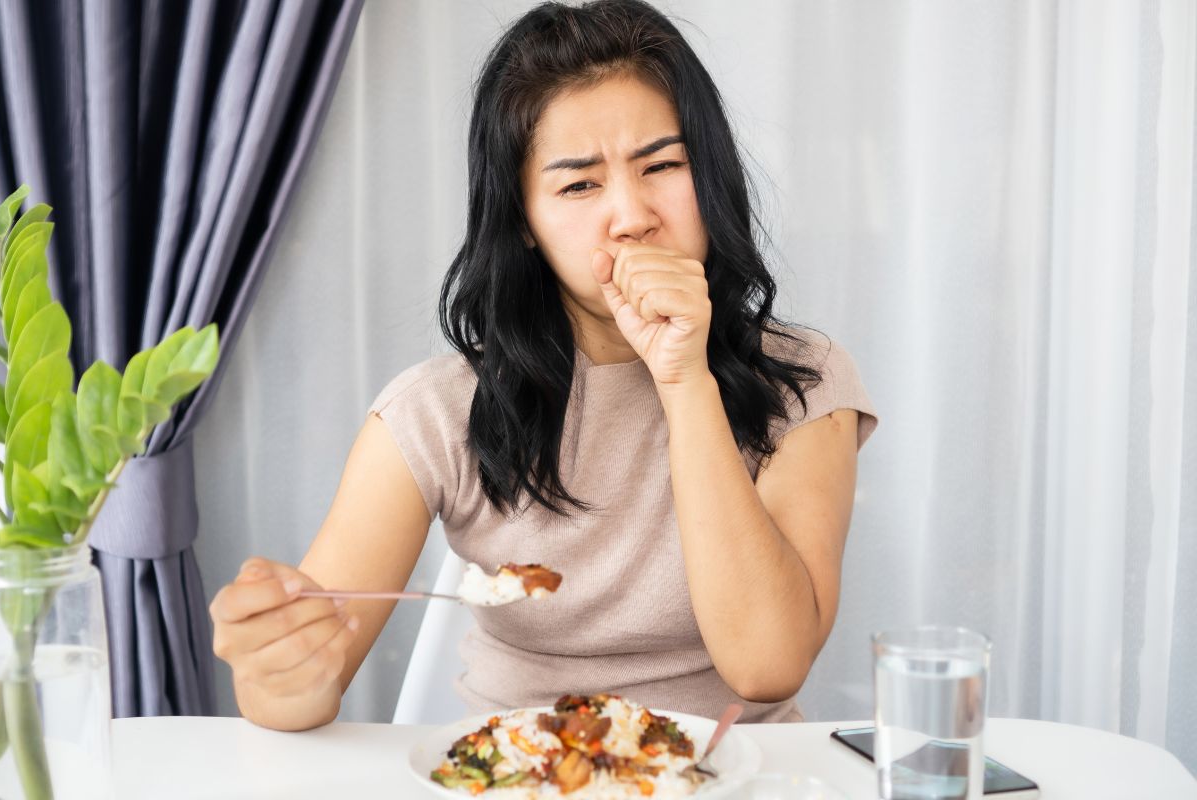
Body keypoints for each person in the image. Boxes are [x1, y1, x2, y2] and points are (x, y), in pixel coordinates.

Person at [209, 0, 877, 732]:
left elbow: (767, 667)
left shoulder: (803, 382)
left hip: (742, 777)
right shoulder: (434, 413)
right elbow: (310, 680)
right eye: (579, 184)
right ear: (523, 222)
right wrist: (276, 668)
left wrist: (685, 380)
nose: (631, 215)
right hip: (519, 775)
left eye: (662, 164)